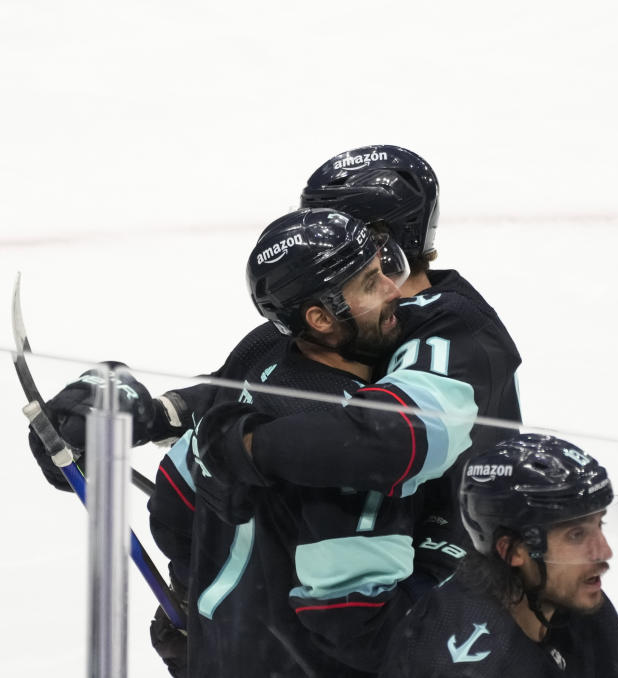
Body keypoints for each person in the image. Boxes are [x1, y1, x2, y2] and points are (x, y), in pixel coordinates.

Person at [194, 146, 524, 669]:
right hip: (375, 577)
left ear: (385, 236)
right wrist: (145, 410)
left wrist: (251, 445)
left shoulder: (448, 329)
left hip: (454, 578)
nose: (318, 231)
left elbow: (392, 438)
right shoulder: (337, 327)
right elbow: (233, 398)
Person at [377, 433, 618, 678]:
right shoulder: (463, 666)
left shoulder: (578, 612)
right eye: (576, 535)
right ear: (512, 551)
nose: (604, 552)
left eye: (600, 525)